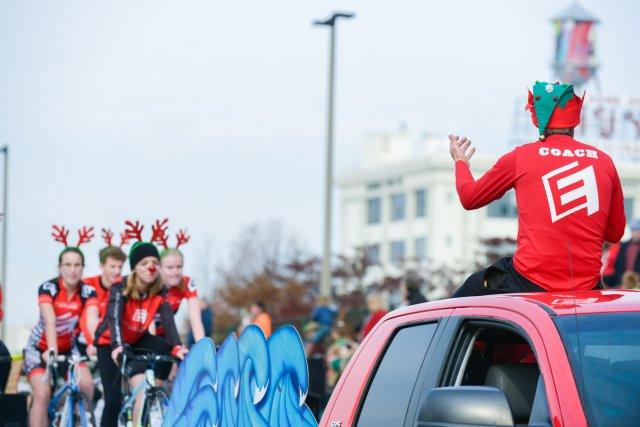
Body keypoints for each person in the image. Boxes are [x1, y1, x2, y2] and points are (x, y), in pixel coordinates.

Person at [450, 81, 626, 297]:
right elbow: (615, 233)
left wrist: (461, 163)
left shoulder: (521, 157)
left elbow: (469, 198)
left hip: (528, 282)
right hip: (587, 288)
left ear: (537, 117)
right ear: (575, 116)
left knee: (464, 297)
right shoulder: (604, 162)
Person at [94, 223, 188, 427]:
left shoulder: (160, 290)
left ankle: (153, 394)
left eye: (154, 262)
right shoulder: (120, 287)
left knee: (167, 350)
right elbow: (114, 318)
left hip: (137, 338)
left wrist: (178, 346)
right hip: (109, 342)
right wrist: (118, 346)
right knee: (112, 399)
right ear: (135, 267)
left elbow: (168, 320)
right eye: (145, 263)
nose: (151, 267)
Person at [24, 226, 99, 427]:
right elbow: (49, 320)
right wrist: (51, 349)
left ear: (83, 268)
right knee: (42, 392)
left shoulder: (87, 291)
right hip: (40, 348)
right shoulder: (48, 288)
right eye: (68, 264)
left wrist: (94, 343)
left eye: (77, 265)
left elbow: (92, 320)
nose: (73, 269)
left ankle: (73, 418)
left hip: (68, 348)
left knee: (86, 384)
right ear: (59, 267)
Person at [77, 229, 128, 356]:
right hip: (85, 340)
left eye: (120, 267)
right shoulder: (88, 284)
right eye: (112, 266)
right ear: (101, 266)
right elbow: (86, 318)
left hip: (112, 340)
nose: (117, 271)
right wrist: (93, 342)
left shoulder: (124, 287)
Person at [607, 219, 640, 287]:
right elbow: (618, 263)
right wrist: (619, 279)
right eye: (634, 231)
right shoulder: (623, 245)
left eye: (638, 231)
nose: (636, 233)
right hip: (623, 281)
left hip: (637, 281)